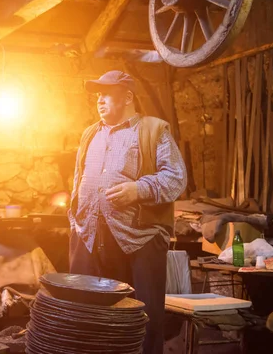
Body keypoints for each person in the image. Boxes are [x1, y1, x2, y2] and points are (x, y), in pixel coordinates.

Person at [68, 70, 187, 354]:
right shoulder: (90, 133)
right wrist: (76, 218)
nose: (99, 100)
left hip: (139, 237)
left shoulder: (153, 130)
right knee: (85, 315)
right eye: (98, 94)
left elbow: (176, 178)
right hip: (89, 234)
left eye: (106, 93)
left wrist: (139, 189)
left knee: (142, 318)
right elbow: (78, 177)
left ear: (128, 97)